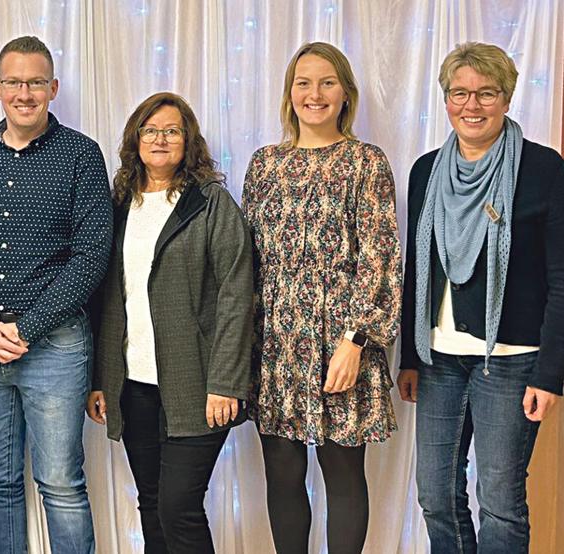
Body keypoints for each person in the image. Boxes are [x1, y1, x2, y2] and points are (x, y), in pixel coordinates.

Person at [398, 41, 563, 554]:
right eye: (460, 93)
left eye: (486, 93)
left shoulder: (543, 169)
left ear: (507, 98)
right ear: (446, 99)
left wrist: (550, 373)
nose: (472, 105)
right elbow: (415, 268)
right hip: (440, 358)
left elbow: (561, 278)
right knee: (435, 496)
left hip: (511, 361)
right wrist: (410, 354)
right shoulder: (425, 170)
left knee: (500, 501)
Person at [241, 42, 402, 553]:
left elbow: (382, 257)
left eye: (327, 82)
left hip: (343, 346)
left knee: (343, 474)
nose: (315, 93)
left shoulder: (365, 162)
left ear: (346, 94)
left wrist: (356, 340)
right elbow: (246, 261)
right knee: (283, 477)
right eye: (304, 82)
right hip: (278, 346)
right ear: (290, 94)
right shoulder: (264, 164)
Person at [0, 35, 112, 554]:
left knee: (61, 485)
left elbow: (91, 258)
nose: (24, 93)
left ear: (53, 87)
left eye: (36, 82)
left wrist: (26, 328)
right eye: (14, 82)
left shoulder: (81, 155)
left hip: (56, 346)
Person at [86, 92, 253, 553]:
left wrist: (226, 383)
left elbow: (237, 296)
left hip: (197, 387)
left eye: (172, 130)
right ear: (136, 139)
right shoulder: (119, 205)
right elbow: (108, 301)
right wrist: (102, 380)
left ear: (188, 141)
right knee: (153, 504)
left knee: (179, 507)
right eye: (151, 130)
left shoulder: (212, 205)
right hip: (134, 386)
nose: (160, 139)